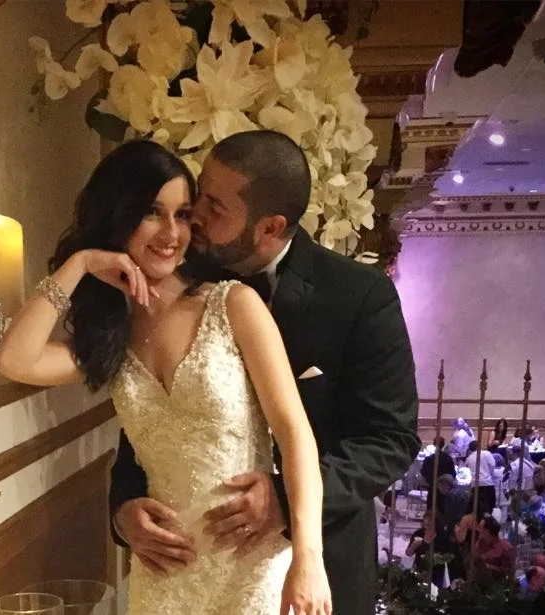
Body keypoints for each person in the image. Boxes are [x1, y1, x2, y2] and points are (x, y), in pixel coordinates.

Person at [0, 140, 330, 614]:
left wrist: (309, 557)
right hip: (165, 578)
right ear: (119, 216)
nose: (173, 232)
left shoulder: (232, 305)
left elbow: (295, 434)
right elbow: (15, 360)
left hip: (251, 573)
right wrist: (81, 264)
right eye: (153, 212)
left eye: (183, 213)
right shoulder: (109, 336)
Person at [109, 130, 420, 615]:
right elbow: (153, 415)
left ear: (270, 226)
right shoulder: (173, 279)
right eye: (199, 195)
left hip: (318, 565)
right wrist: (123, 508)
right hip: (184, 566)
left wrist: (282, 500)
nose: (195, 217)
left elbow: (388, 439)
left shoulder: (358, 296)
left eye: (214, 206)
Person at [474, 516, 516, 583]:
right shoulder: (479, 543)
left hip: (495, 588)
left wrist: (489, 567)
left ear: (487, 531)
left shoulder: (506, 549)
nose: (478, 529)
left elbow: (508, 572)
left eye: (480, 527)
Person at [464, 440, 497, 515]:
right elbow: (492, 465)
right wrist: (489, 474)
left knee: (478, 508)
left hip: (475, 485)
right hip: (487, 483)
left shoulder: (469, 458)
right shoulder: (486, 453)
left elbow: (466, 469)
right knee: (489, 507)